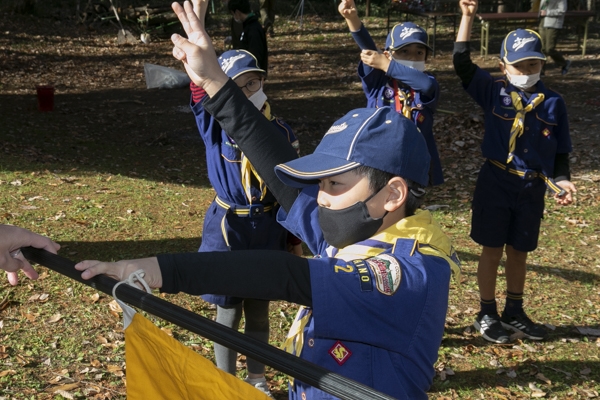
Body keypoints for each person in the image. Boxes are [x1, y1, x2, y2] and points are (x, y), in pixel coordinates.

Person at [76, 2, 460, 398]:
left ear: (393, 194)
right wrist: (214, 83)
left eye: (334, 184)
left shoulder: (410, 274)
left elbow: (285, 275)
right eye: (321, 183)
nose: (320, 199)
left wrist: (157, 269)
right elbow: (279, 170)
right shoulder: (359, 233)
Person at [454, 0, 576, 344]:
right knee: (491, 250)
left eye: (534, 63)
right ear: (503, 66)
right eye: (520, 64)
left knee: (519, 252)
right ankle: (487, 310)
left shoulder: (553, 103)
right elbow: (461, 64)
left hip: (531, 188)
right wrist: (466, 18)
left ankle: (515, 311)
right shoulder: (493, 92)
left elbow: (561, 151)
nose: (527, 69)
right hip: (495, 182)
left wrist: (563, 180)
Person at [338, 0, 444, 186]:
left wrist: (387, 64)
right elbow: (368, 49)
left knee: (409, 210)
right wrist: (352, 18)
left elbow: (425, 85)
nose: (413, 57)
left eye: (419, 53)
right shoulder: (378, 82)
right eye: (404, 51)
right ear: (388, 54)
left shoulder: (427, 83)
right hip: (378, 157)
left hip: (414, 161)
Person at [227, 0, 269, 74]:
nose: (234, 17)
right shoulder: (247, 26)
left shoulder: (253, 29)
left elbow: (256, 54)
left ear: (237, 12)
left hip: (253, 73)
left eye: (233, 14)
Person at [538, 0, 571, 75]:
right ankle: (541, 71)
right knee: (542, 48)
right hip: (542, 22)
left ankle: (564, 63)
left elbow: (562, 10)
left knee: (549, 49)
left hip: (553, 23)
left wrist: (547, 12)